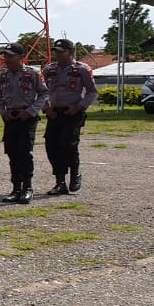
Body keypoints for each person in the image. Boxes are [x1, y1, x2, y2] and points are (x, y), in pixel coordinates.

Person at [0, 43, 49, 204]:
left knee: (24, 152)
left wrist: (31, 111)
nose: (7, 59)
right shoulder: (2, 75)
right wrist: (3, 112)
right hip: (11, 117)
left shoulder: (32, 73)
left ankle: (27, 188)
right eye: (5, 56)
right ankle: (16, 188)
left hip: (27, 117)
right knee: (12, 153)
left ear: (20, 57)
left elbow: (44, 94)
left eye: (11, 56)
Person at [42, 38, 98, 195]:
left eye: (61, 52)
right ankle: (60, 182)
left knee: (68, 144)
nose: (57, 55)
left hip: (73, 112)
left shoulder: (81, 69)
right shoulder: (49, 70)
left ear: (71, 52)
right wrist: (46, 108)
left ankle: (75, 174)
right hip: (54, 113)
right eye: (56, 52)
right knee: (52, 146)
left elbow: (92, 91)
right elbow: (41, 92)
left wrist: (79, 107)